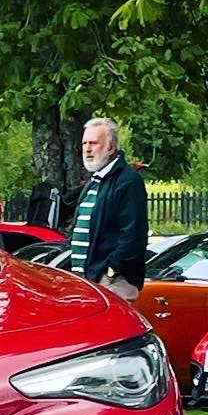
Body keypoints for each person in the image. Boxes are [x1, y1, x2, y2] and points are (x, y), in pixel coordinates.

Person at [68, 117, 148, 300]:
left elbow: (134, 234)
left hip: (112, 283)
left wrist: (111, 271)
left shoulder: (128, 181)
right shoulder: (94, 183)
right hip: (86, 282)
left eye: (94, 143)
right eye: (84, 143)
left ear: (111, 148)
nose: (87, 149)